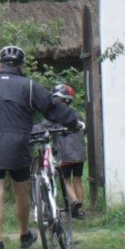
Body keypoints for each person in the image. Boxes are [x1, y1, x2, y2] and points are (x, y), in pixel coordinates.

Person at [0, 45, 80, 249]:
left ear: (1, 63)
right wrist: (73, 122)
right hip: (18, 144)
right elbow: (51, 107)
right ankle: (24, 235)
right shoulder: (29, 86)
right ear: (21, 65)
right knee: (21, 192)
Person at [52, 82, 89, 220]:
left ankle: (74, 201)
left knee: (66, 180)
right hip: (79, 153)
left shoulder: (57, 115)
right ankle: (79, 211)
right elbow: (84, 130)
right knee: (78, 179)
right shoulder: (76, 114)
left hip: (64, 153)